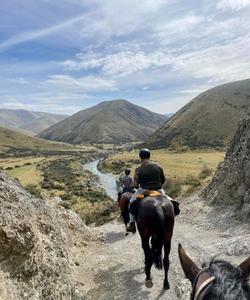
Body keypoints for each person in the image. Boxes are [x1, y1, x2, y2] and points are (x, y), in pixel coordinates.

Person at [126, 149, 166, 233]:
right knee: (170, 201)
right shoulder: (159, 166)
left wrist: (137, 185)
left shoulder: (138, 169)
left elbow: (136, 185)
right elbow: (163, 180)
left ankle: (132, 224)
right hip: (158, 189)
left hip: (144, 190)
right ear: (149, 156)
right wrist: (158, 187)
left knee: (131, 202)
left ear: (140, 157)